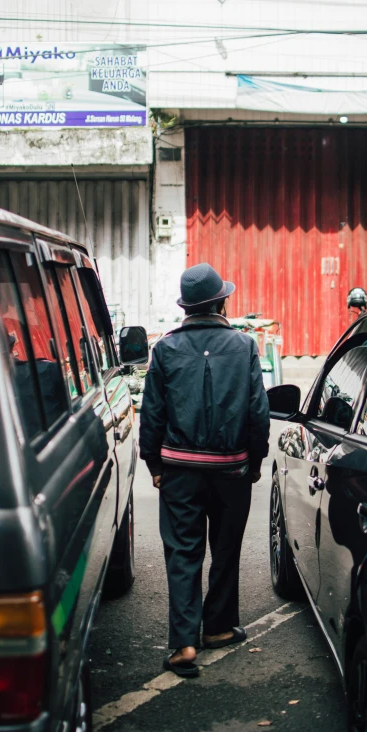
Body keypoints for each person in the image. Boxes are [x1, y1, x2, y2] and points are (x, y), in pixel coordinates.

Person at [140, 263, 270, 678]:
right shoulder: (245, 346)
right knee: (226, 551)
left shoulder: (164, 349)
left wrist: (154, 463)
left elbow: (152, 414)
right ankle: (216, 628)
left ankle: (183, 644)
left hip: (179, 470)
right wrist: (255, 460)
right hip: (232, 470)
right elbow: (258, 413)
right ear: (221, 301)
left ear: (187, 307)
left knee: (183, 552)